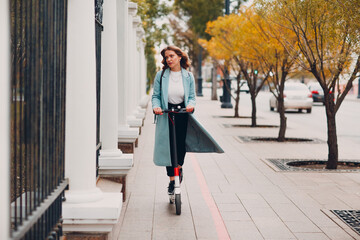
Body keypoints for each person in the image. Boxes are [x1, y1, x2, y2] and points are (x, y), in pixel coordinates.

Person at [152, 45, 224, 196]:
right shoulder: (161, 75)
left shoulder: (188, 76)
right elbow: (156, 96)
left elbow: (191, 96)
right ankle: (172, 181)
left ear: (179, 56)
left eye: (171, 56)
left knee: (180, 145)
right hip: (166, 113)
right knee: (168, 147)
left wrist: (191, 105)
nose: (169, 59)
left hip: (183, 113)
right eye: (166, 57)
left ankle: (179, 168)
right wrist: (156, 107)